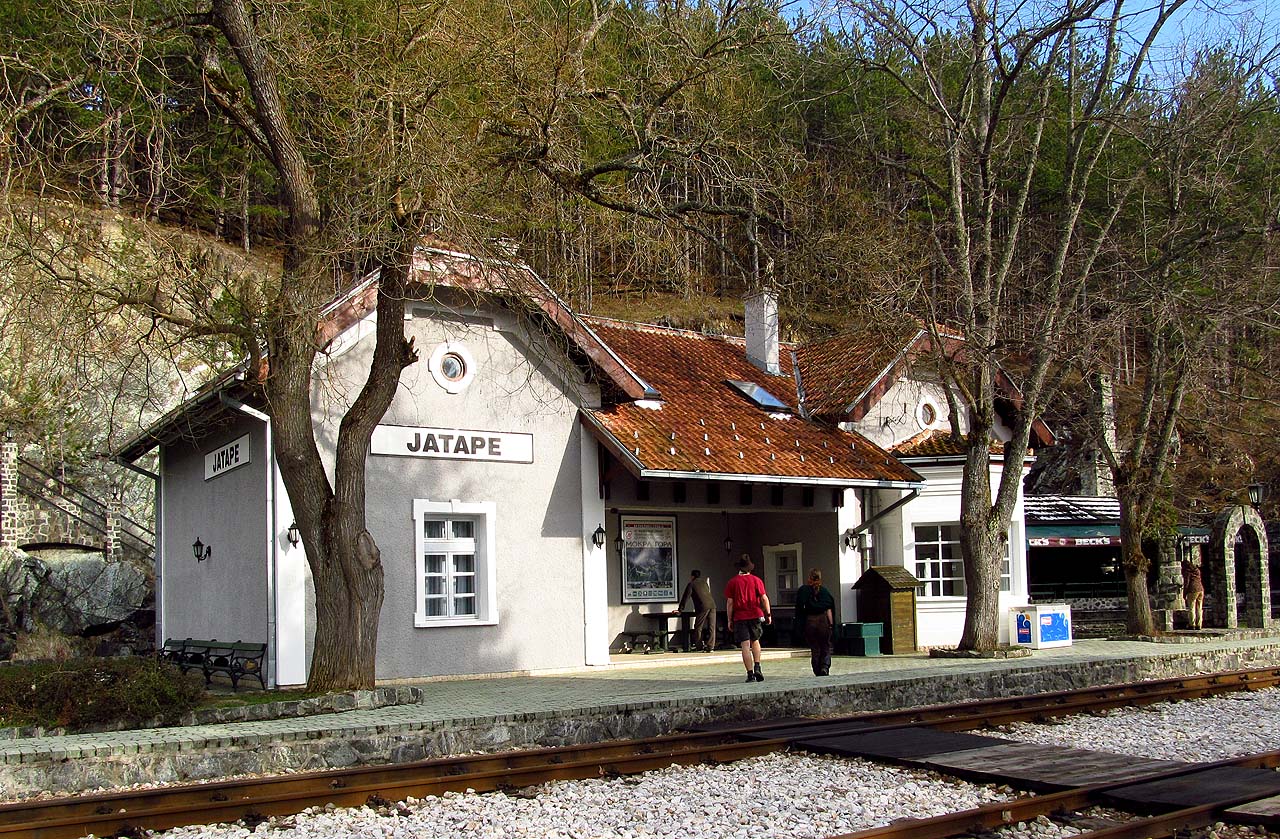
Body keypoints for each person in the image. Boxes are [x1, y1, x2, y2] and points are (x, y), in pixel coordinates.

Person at [724, 553, 771, 682]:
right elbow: (764, 598)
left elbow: (730, 602)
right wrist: (768, 614)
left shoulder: (732, 582)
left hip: (740, 616)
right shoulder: (756, 580)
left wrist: (729, 619)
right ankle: (757, 666)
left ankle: (750, 674)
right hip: (755, 614)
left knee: (745, 645)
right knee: (755, 641)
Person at [795, 568, 835, 676]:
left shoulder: (803, 591)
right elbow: (829, 609)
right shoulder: (824, 592)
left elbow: (799, 609)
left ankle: (817, 669)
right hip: (823, 621)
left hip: (810, 622)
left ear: (809, 578)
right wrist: (831, 625)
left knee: (815, 647)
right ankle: (824, 667)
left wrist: (800, 626)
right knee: (825, 646)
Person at [676, 569, 717, 651]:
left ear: (692, 576)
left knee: (698, 627)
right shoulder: (704, 583)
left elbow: (685, 597)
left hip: (703, 606)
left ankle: (699, 646)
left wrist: (680, 610)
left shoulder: (691, 584)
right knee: (712, 627)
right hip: (712, 605)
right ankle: (710, 646)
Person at [1182, 557, 1204, 630]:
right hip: (1201, 589)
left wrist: (1184, 594)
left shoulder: (1187, 572)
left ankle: (1192, 624)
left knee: (1191, 607)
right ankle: (1199, 624)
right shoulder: (1197, 570)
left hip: (1192, 590)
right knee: (1199, 607)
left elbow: (1186, 583)